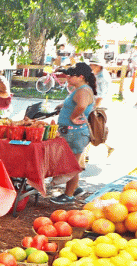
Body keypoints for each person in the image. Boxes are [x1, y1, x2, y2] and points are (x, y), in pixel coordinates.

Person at [49, 62, 97, 205]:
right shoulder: (80, 89)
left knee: (72, 166)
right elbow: (76, 103)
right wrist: (62, 106)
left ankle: (68, 195)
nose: (67, 78)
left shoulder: (83, 90)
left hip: (75, 133)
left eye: (70, 76)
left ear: (81, 77)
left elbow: (81, 105)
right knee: (72, 164)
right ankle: (75, 188)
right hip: (72, 133)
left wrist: (73, 117)